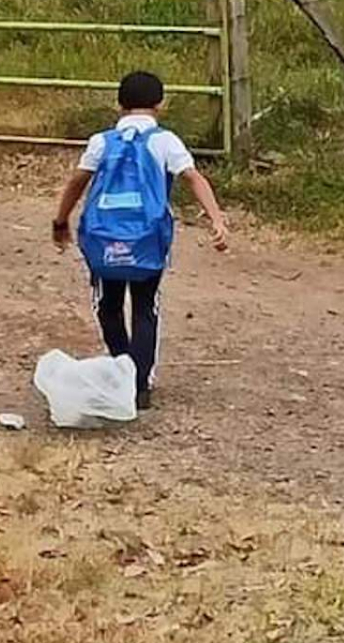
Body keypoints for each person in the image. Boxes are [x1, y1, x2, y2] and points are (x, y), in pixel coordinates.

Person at [52, 71, 229, 411]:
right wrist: (216, 219)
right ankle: (140, 384)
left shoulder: (101, 142)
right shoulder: (165, 141)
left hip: (104, 237)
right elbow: (193, 177)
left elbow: (78, 181)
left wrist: (61, 220)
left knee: (108, 305)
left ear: (119, 104)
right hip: (148, 238)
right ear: (161, 104)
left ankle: (121, 369)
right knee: (146, 307)